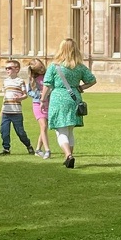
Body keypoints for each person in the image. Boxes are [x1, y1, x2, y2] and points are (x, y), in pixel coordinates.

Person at [43, 36, 96, 170]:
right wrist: (80, 88)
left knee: (61, 130)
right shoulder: (79, 67)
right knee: (70, 130)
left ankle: (68, 155)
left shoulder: (54, 66)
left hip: (58, 98)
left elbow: (47, 84)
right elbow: (92, 80)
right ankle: (68, 157)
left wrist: (43, 99)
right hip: (74, 98)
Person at [0, 59, 35, 154]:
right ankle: (6, 149)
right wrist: (2, 110)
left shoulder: (20, 81)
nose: (7, 70)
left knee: (20, 132)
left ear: (17, 69)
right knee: (4, 131)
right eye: (6, 68)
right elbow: (5, 96)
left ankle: (28, 145)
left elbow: (25, 95)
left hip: (16, 112)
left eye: (9, 68)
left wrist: (20, 98)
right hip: (6, 112)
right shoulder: (5, 81)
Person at [27, 59, 52, 158]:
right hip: (38, 104)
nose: (41, 70)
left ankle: (38, 149)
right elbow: (29, 91)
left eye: (41, 67)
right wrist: (39, 94)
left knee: (44, 128)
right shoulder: (33, 79)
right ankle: (47, 150)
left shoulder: (48, 75)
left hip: (49, 103)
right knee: (44, 126)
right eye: (38, 69)